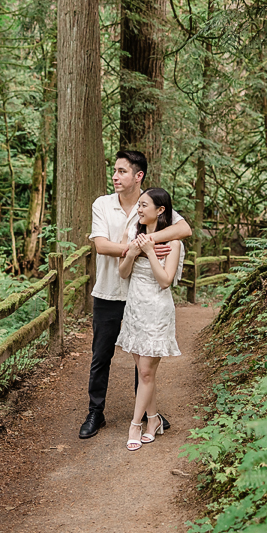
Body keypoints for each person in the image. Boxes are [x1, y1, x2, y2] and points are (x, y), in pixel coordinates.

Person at [80, 150, 191, 439]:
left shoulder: (150, 202)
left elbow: (183, 228)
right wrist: (138, 248)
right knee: (101, 354)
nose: (115, 177)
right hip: (108, 290)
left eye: (121, 171)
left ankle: (144, 414)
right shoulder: (102, 204)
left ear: (137, 176)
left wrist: (147, 240)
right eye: (114, 171)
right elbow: (102, 246)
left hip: (140, 296)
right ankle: (95, 412)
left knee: (141, 357)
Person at [115, 188, 183, 451]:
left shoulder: (174, 243)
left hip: (157, 310)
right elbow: (123, 274)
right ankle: (153, 420)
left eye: (144, 205)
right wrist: (132, 252)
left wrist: (151, 252)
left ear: (160, 210)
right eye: (139, 205)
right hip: (135, 310)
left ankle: (136, 424)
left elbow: (166, 281)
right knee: (147, 374)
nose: (139, 210)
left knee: (145, 372)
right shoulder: (135, 235)